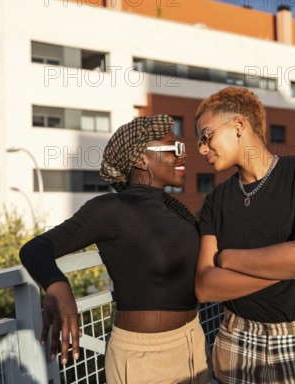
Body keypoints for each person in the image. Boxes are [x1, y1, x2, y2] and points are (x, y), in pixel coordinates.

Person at [19, 114, 213, 383]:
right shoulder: (111, 209)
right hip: (144, 360)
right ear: (140, 159)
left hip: (193, 341)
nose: (182, 156)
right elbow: (35, 249)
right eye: (174, 148)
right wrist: (58, 285)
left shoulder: (176, 209)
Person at [194, 87, 295, 383]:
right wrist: (286, 271)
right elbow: (205, 286)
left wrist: (227, 258)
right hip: (237, 340)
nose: (202, 149)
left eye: (206, 136)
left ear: (239, 126)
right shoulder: (215, 200)